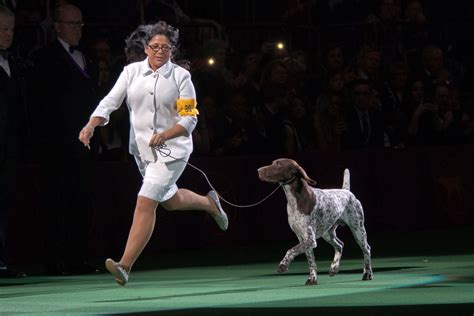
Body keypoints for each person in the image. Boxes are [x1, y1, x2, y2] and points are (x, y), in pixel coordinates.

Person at [78, 21, 229, 287]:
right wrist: (91, 124)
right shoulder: (131, 72)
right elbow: (110, 101)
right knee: (169, 200)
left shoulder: (181, 77)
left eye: (166, 47)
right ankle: (208, 203)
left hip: (173, 152)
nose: (160, 51)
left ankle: (124, 265)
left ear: (173, 50)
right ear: (146, 48)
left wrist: (168, 133)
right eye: (155, 46)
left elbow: (190, 118)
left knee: (146, 201)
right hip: (142, 151)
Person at [32, 4, 99, 275]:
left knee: (82, 202)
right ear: (57, 26)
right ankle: (54, 260)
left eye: (80, 24)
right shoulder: (44, 58)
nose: (77, 30)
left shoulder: (88, 57)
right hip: (57, 146)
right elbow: (42, 106)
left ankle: (78, 258)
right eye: (71, 24)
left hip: (85, 145)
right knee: (56, 203)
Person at [0, 4, 26, 278]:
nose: (8, 34)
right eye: (3, 29)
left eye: (11, 29)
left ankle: (2, 260)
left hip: (10, 146)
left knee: (5, 202)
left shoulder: (15, 61)